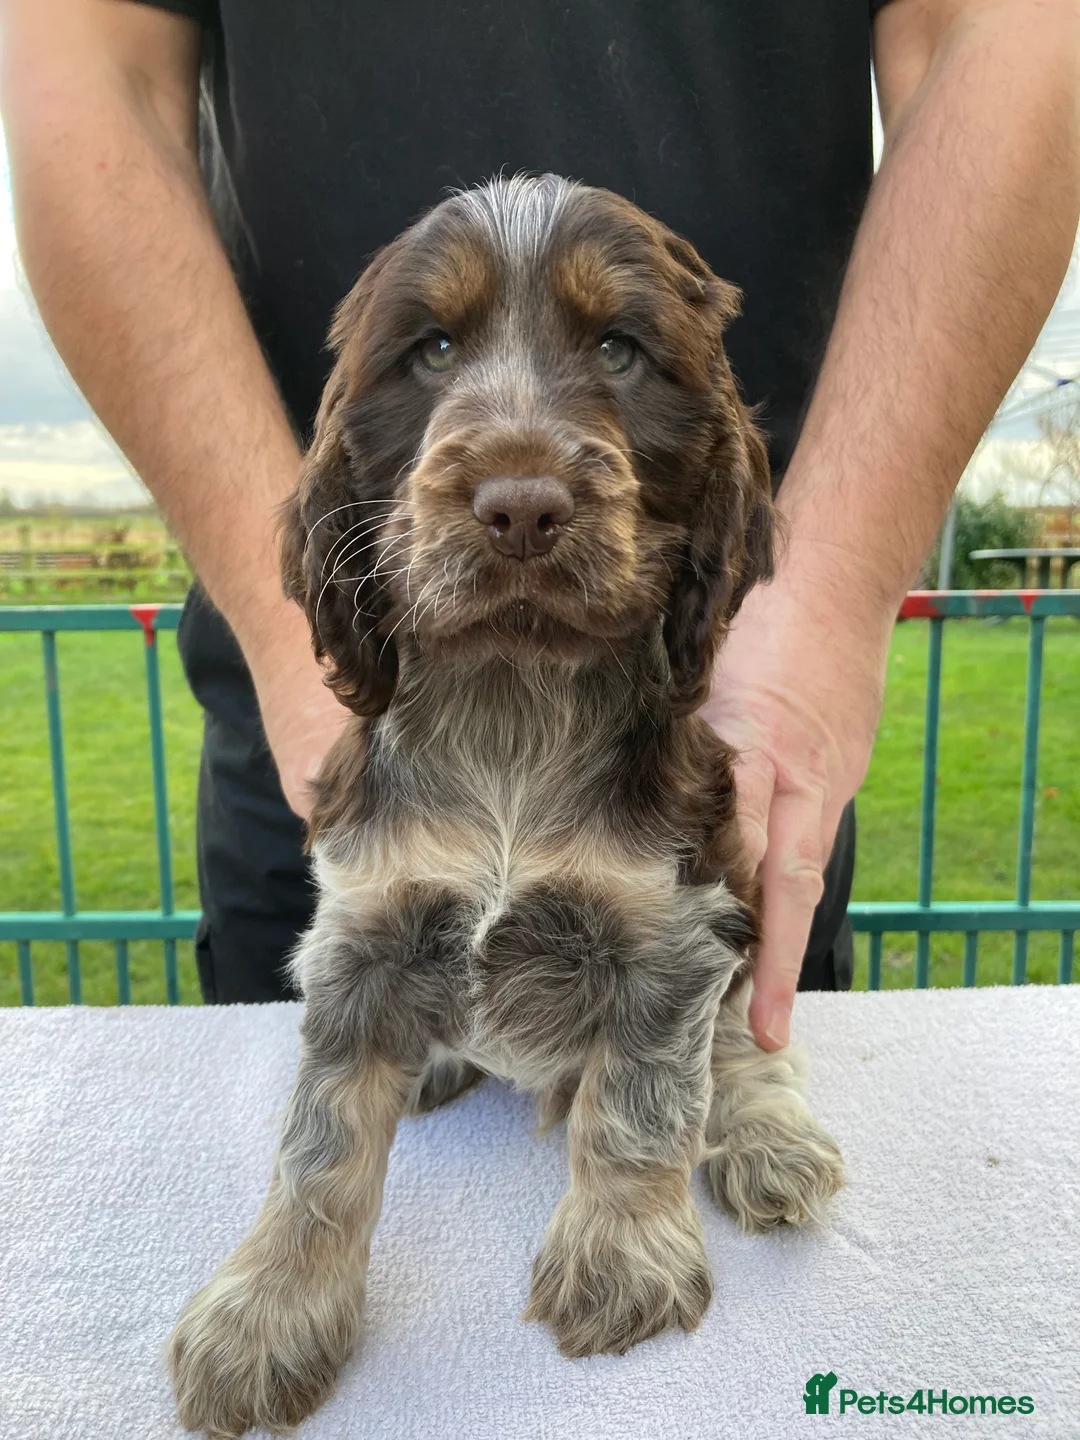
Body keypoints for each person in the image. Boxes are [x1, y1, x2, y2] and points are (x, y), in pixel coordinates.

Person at [2, 0, 1076, 1046]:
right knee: (334, 1129)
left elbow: (1002, 28)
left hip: (730, 677)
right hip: (336, 672)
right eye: (432, 350)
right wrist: (308, 641)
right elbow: (93, 70)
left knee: (725, 1142)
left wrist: (828, 586)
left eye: (615, 354)